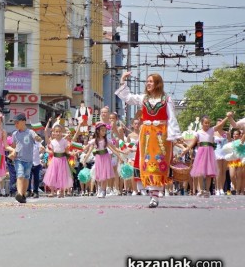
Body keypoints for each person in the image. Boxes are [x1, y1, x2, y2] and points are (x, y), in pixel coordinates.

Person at [115, 71, 181, 208]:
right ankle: (153, 195)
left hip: (161, 135)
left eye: (151, 81)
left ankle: (155, 195)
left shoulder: (166, 99)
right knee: (147, 162)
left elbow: (172, 118)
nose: (148, 84)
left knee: (158, 162)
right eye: (147, 81)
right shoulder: (143, 98)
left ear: (157, 84)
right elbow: (127, 97)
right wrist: (123, 80)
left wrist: (174, 136)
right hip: (146, 135)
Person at [182, 114, 230, 197]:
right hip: (201, 152)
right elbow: (192, 143)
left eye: (208, 123)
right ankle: (200, 190)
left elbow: (220, 125)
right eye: (205, 123)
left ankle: (207, 190)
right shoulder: (198, 133)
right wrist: (186, 149)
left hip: (210, 152)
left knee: (209, 173)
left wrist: (227, 117)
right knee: (200, 172)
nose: (207, 124)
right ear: (202, 123)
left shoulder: (211, 130)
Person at [83, 122, 124, 198]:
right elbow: (88, 150)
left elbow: (114, 149)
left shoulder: (106, 140)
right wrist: (84, 159)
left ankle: (103, 190)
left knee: (104, 175)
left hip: (106, 158)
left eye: (105, 131)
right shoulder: (94, 141)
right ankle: (99, 189)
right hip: (98, 158)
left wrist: (120, 155)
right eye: (102, 130)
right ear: (98, 131)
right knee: (99, 175)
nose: (104, 132)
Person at [42, 123, 75, 198]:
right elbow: (52, 151)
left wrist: (72, 153)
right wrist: (46, 150)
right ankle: (52, 191)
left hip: (62, 160)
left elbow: (67, 151)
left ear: (62, 132)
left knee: (62, 175)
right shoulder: (53, 141)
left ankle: (62, 191)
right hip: (55, 160)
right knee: (53, 175)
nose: (58, 133)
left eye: (59, 131)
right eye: (56, 131)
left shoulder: (64, 141)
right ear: (54, 132)